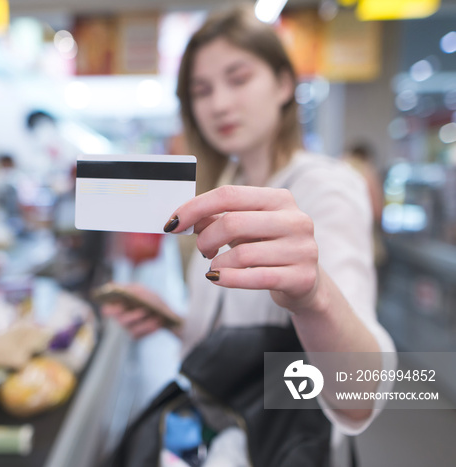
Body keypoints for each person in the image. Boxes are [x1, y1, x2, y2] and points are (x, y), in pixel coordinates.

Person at [101, 7, 395, 466]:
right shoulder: (219, 188)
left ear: (282, 84)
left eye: (238, 79)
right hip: (223, 441)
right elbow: (240, 344)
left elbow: (361, 392)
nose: (218, 103)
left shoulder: (326, 187)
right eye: (201, 90)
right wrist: (175, 321)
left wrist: (314, 294)